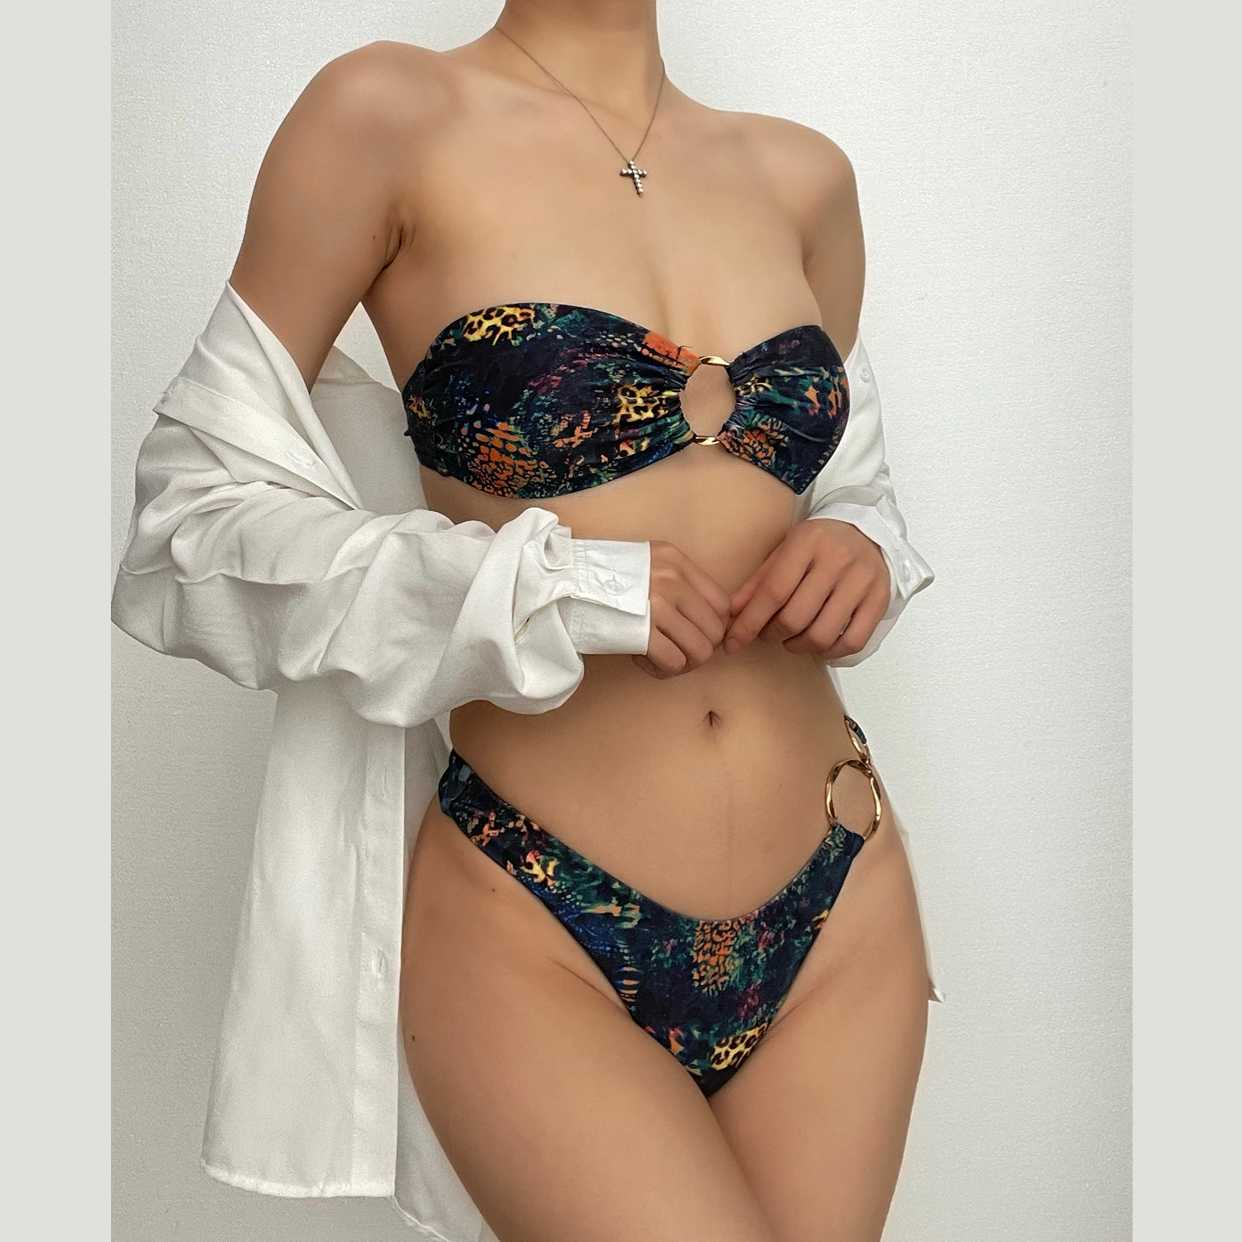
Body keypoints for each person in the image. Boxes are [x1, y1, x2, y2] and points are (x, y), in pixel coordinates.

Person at [112, 5, 940, 1240]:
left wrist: (861, 546)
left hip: (839, 887)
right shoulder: (384, 117)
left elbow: (840, 483)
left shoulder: (803, 177)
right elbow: (188, 525)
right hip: (536, 908)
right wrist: (552, 587)